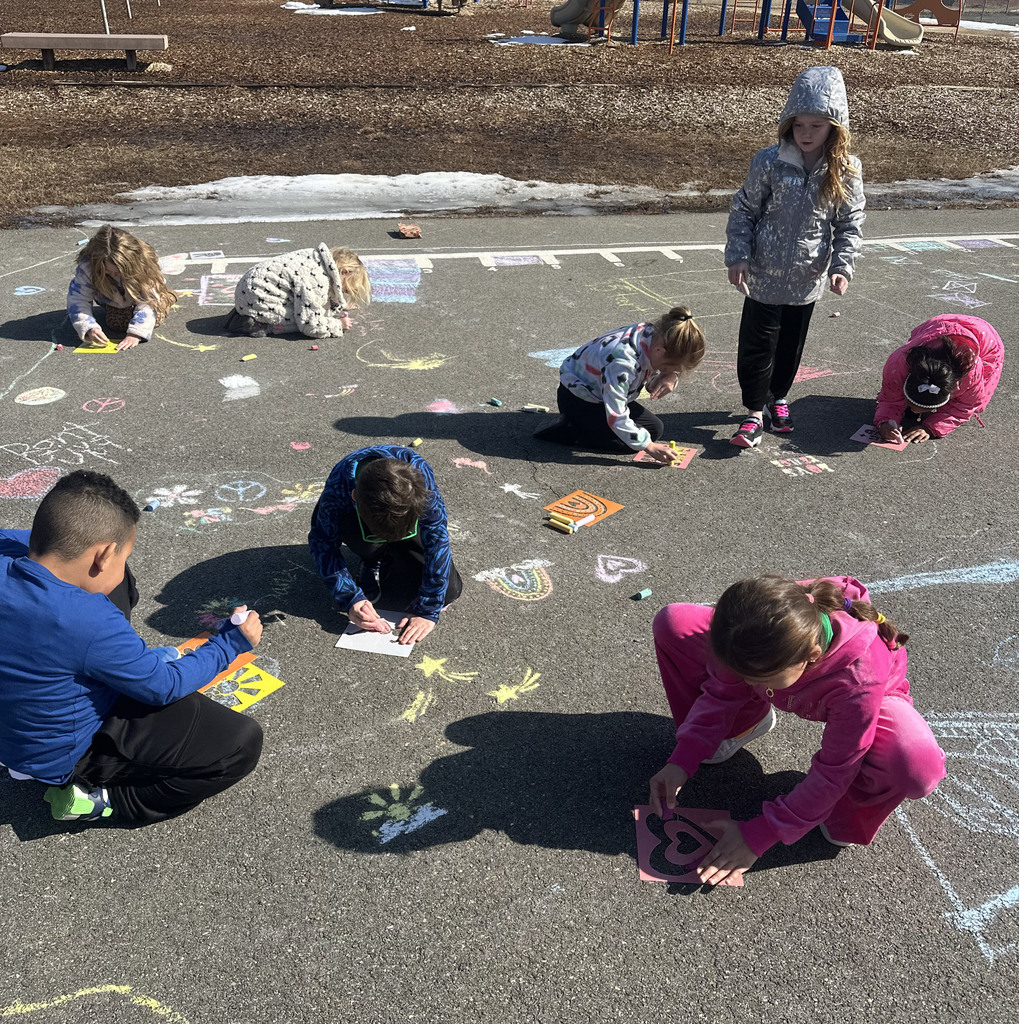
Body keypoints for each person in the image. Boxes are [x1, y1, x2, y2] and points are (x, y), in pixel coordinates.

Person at [0, 471, 264, 825]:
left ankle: (121, 662)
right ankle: (105, 800)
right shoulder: (87, 620)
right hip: (50, 753)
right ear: (104, 554)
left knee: (110, 590)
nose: (123, 566)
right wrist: (231, 643)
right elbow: (163, 686)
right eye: (122, 557)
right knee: (240, 743)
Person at [647, 575, 945, 886]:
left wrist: (761, 834)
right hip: (781, 661)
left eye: (760, 679)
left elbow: (834, 771)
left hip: (865, 695)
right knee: (674, 623)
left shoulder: (858, 680)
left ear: (811, 657)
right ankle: (743, 725)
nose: (749, 685)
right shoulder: (750, 628)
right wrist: (683, 759)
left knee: (915, 764)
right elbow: (723, 691)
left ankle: (850, 811)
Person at [725, 66, 866, 448]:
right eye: (799, 124)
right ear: (789, 123)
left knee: (791, 344)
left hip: (807, 275)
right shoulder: (769, 161)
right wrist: (738, 255)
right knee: (758, 344)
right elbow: (744, 210)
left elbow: (849, 222)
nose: (805, 133)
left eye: (816, 126)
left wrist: (841, 266)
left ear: (835, 127)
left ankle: (779, 397)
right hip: (764, 272)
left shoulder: (844, 170)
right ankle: (754, 411)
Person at [309, 446, 461, 645]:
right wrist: (349, 597)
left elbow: (437, 539)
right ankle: (372, 557)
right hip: (362, 522)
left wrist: (428, 609)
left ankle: (390, 554)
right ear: (353, 496)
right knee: (396, 581)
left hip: (404, 522)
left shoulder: (421, 480)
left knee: (449, 590)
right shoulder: (340, 484)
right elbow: (322, 541)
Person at [532, 306, 706, 465]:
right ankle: (568, 430)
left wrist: (669, 374)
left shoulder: (655, 333)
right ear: (660, 351)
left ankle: (582, 425)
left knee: (654, 429)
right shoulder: (622, 364)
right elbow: (616, 414)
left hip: (598, 391)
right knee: (628, 443)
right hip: (579, 400)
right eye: (667, 367)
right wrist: (649, 448)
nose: (665, 371)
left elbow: (667, 356)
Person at [875, 314, 1004, 444]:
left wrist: (931, 427)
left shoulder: (971, 375)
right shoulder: (898, 364)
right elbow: (890, 395)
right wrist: (886, 421)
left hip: (987, 340)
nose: (913, 409)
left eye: (930, 408)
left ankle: (933, 409)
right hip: (939, 325)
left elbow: (965, 406)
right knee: (896, 390)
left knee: (977, 397)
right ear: (906, 382)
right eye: (909, 402)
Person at [67, 225, 179, 351]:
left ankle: (167, 297)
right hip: (112, 298)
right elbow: (78, 299)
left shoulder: (143, 264)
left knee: (152, 318)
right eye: (110, 272)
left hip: (147, 295)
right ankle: (123, 308)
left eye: (121, 272)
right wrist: (88, 327)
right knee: (116, 324)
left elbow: (149, 301)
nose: (116, 276)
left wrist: (135, 334)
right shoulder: (88, 267)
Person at [223, 244, 371, 339]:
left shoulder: (316, 259)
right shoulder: (317, 279)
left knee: (309, 308)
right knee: (301, 318)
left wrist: (337, 305)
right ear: (344, 272)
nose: (346, 291)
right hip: (258, 300)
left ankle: (247, 314)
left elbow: (317, 298)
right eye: (348, 288)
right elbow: (310, 325)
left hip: (248, 292)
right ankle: (256, 323)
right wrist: (337, 324)